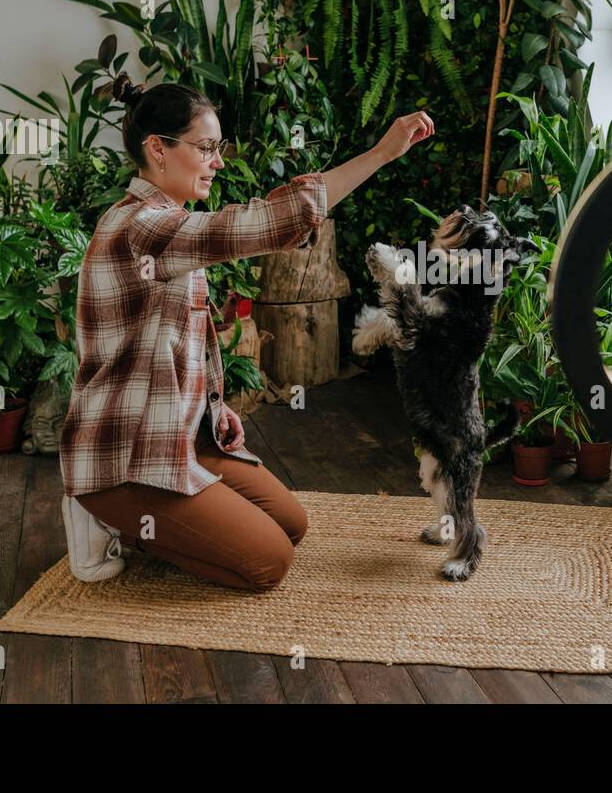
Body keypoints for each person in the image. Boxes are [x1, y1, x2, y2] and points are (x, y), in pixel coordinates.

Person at [59, 73, 433, 590]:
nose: (217, 161)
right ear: (157, 149)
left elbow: (168, 346)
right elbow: (268, 222)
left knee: (292, 526)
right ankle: (106, 514)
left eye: (219, 147)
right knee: (267, 563)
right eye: (206, 148)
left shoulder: (169, 222)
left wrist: (213, 408)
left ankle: (159, 512)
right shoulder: (141, 226)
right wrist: (381, 154)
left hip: (176, 436)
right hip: (124, 456)